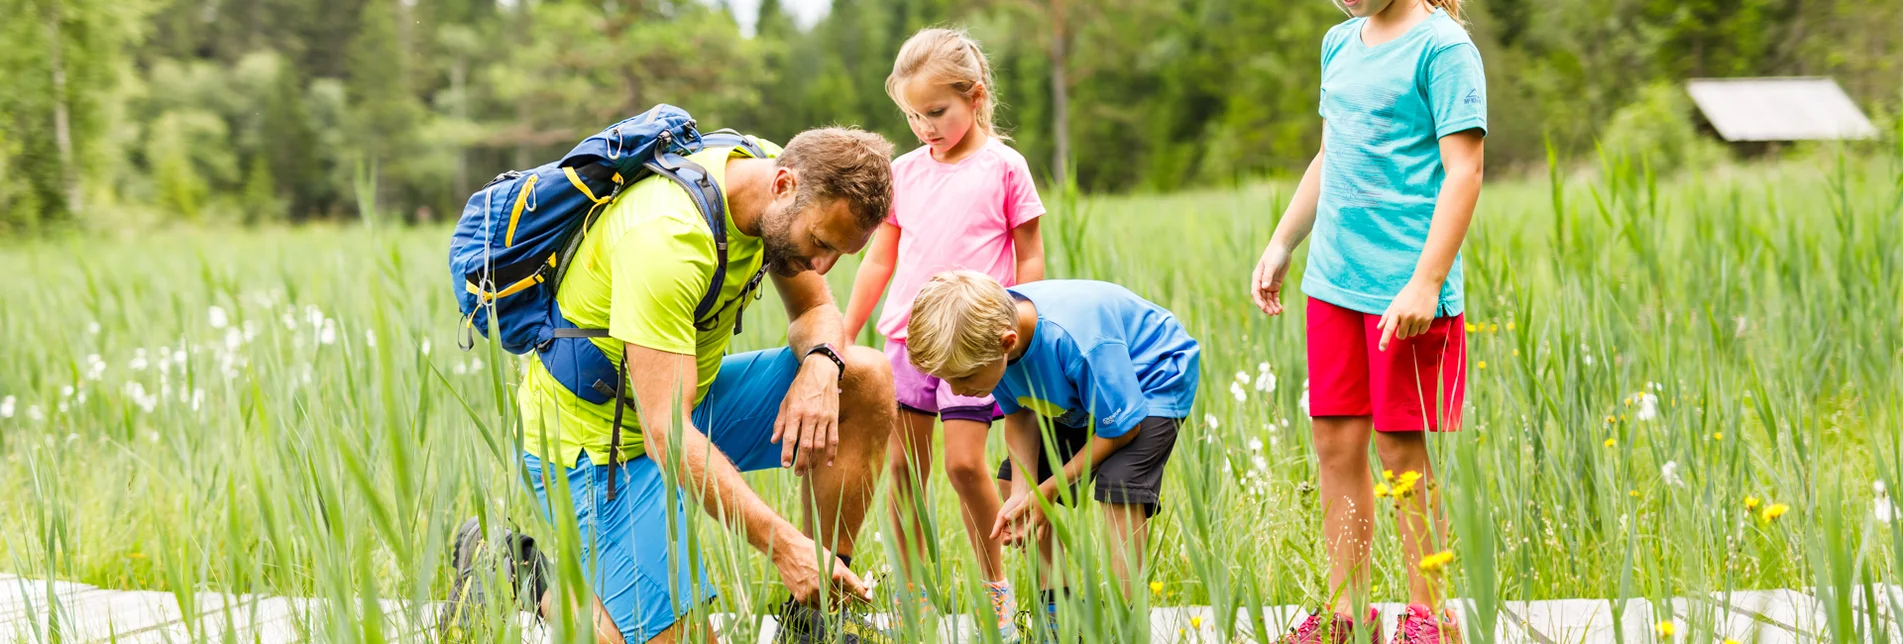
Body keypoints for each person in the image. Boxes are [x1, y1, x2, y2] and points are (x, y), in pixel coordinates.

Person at [463, 126, 901, 644]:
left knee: (863, 377)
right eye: (820, 243)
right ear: (784, 183)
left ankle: (814, 617)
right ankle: (520, 571)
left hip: (683, 403)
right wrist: (785, 547)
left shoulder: (762, 174)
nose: (822, 265)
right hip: (597, 443)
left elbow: (814, 308)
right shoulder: (667, 239)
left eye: (840, 254)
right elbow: (666, 435)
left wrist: (824, 365)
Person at [1249, 0, 1485, 641]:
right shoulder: (1338, 42)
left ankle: (1428, 616)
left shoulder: (1443, 48)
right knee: (1334, 443)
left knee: (1400, 449)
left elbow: (1464, 171)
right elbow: (1331, 156)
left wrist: (1426, 282)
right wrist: (1282, 242)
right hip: (1334, 281)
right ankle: (1346, 613)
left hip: (1404, 289)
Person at [842, 26, 1046, 640]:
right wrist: (845, 335)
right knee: (904, 471)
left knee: (963, 467)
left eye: (937, 111)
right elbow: (880, 258)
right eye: (912, 115)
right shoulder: (903, 172)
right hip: (906, 341)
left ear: (976, 96)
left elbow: (1030, 256)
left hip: (975, 344)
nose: (925, 126)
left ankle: (996, 589)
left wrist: (1021, 316)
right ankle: (914, 598)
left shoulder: (1005, 166)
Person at [904, 271, 1200, 639]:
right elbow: (1021, 414)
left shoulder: (1076, 341)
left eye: (962, 378)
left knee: (1119, 483)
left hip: (1151, 376)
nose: (956, 390)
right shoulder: (996, 339)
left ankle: (1126, 623)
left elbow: (1123, 430)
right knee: (1015, 481)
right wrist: (1023, 493)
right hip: (1084, 392)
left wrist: (1048, 491)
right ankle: (1059, 612)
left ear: (1006, 343)